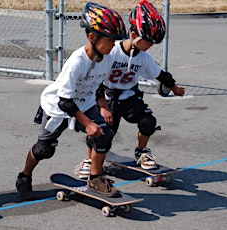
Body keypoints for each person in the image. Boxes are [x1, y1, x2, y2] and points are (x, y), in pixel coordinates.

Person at [16, 2, 128, 200]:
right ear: (92, 37)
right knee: (44, 149)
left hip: (85, 103)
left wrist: (103, 107)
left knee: (104, 135)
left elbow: (98, 83)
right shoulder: (77, 61)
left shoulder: (107, 56)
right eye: (110, 40)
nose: (114, 45)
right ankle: (24, 177)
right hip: (57, 107)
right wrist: (88, 123)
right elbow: (64, 101)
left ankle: (95, 179)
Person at [75, 0, 185, 179]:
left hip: (129, 96)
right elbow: (96, 80)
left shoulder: (144, 57)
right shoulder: (113, 51)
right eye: (148, 41)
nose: (150, 46)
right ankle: (89, 160)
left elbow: (160, 74)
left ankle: (141, 152)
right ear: (133, 34)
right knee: (103, 132)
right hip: (108, 96)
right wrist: (102, 105)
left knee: (148, 121)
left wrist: (174, 87)